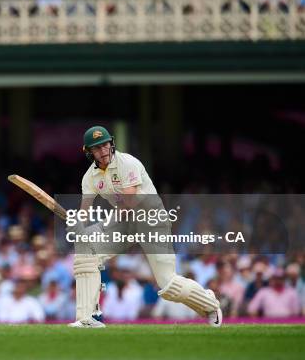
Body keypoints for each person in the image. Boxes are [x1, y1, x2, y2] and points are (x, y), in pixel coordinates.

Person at [69, 125, 222, 328]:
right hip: (125, 224)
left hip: (151, 220)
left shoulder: (128, 163)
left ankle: (210, 304)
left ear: (111, 143)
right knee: (85, 250)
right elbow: (85, 210)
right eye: (96, 148)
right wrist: (77, 224)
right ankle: (87, 318)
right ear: (88, 152)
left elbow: (129, 203)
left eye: (105, 145)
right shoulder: (89, 177)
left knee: (168, 286)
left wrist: (99, 227)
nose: (103, 151)